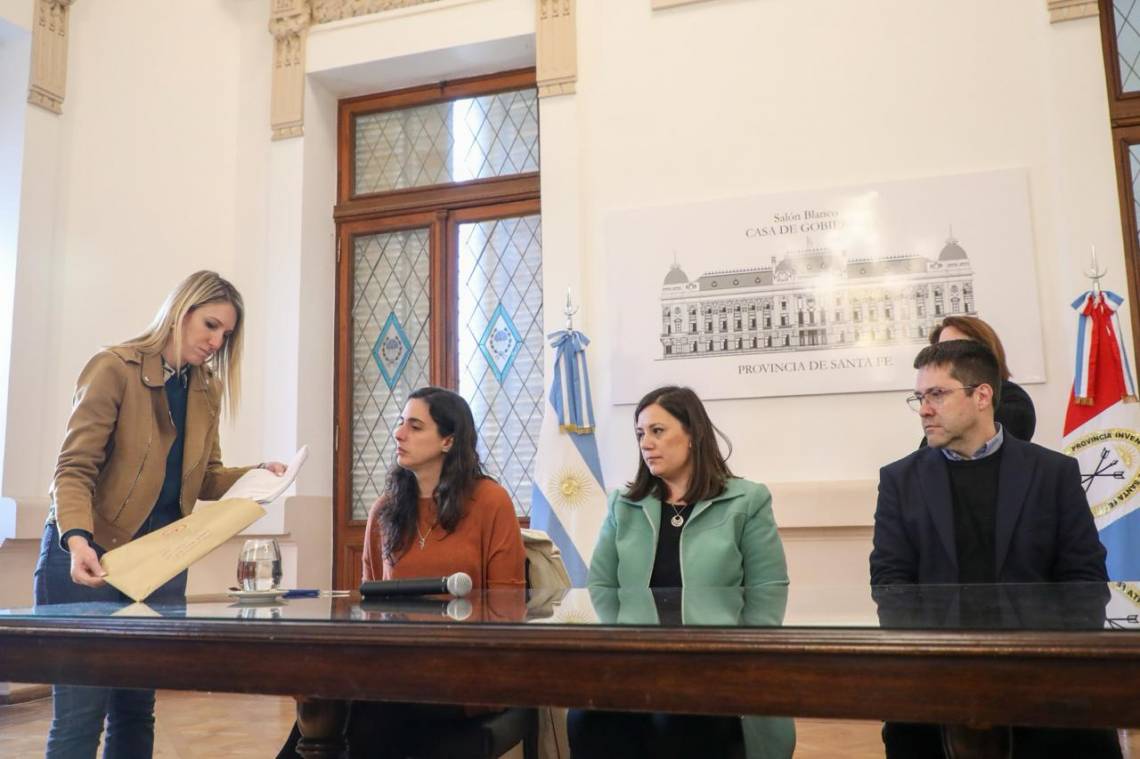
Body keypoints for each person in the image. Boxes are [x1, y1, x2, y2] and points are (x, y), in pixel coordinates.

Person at [35, 270, 286, 759]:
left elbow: (205, 475)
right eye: (210, 326)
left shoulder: (205, 389)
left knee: (136, 709)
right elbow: (73, 469)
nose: (216, 342)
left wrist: (258, 475)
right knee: (80, 717)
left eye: (225, 334)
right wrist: (79, 540)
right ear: (181, 312)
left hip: (159, 567)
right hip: (88, 560)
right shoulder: (113, 368)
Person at [870, 339, 1117, 758]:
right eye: (919, 397)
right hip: (938, 674)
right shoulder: (900, 480)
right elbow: (891, 584)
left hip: (1041, 674)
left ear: (982, 395)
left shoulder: (1052, 473)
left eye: (937, 394)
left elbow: (1085, 582)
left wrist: (1051, 662)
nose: (925, 409)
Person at [280, 386, 526, 758]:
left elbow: (508, 607)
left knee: (363, 712)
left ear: (448, 440)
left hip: (469, 670)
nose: (398, 433)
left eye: (415, 426)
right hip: (398, 668)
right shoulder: (384, 511)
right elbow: (369, 609)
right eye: (400, 423)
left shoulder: (491, 501)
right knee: (322, 700)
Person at [571, 385, 793, 759]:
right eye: (641, 434)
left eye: (658, 431)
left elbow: (767, 591)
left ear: (692, 434)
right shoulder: (623, 506)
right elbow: (602, 586)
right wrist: (622, 652)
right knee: (585, 718)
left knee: (678, 721)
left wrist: (740, 660)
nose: (646, 443)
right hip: (636, 661)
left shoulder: (747, 500)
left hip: (714, 664)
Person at [925, 315, 1036, 442]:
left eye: (957, 348)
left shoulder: (1012, 399)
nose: (947, 357)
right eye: (941, 351)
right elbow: (928, 452)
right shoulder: (940, 399)